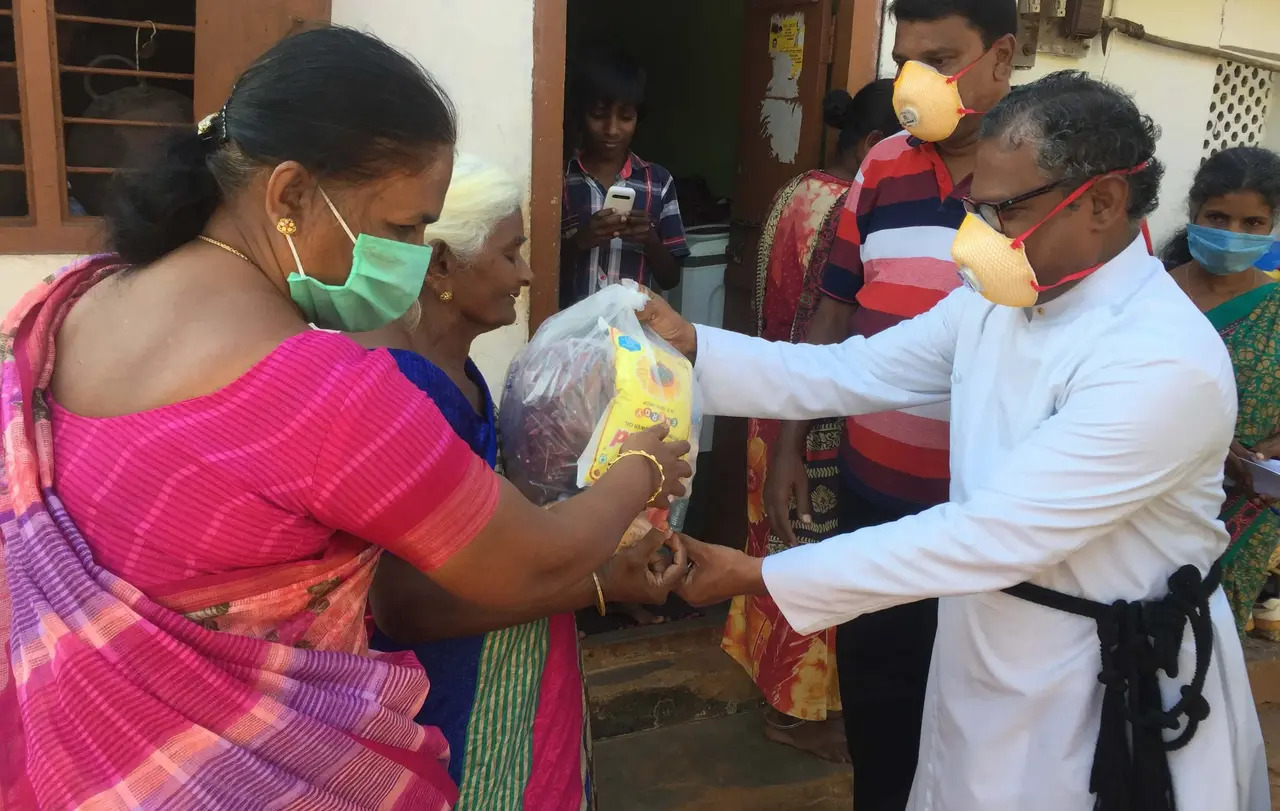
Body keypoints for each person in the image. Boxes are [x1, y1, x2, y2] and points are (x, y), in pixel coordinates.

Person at [0, 28, 693, 811]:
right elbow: (531, 562)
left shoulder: (71, 305)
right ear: (290, 195)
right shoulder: (324, 394)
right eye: (401, 228)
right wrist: (642, 463)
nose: (410, 255)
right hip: (248, 779)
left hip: (89, 772)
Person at [654, 71, 1269, 811]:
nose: (976, 238)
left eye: (1003, 211)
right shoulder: (996, 303)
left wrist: (757, 576)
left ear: (1103, 203)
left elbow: (989, 535)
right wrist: (691, 346)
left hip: (1100, 672)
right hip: (984, 641)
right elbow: (851, 369)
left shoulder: (1164, 360)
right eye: (974, 207)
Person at [356, 155, 685, 811]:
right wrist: (598, 579)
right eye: (511, 256)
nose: (529, 274)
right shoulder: (405, 386)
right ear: (442, 265)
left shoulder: (452, 364)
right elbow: (404, 605)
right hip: (454, 702)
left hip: (510, 666)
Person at [764, 0, 1017, 803]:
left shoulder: (1053, 183)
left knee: (980, 733)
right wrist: (789, 446)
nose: (919, 84)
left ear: (1003, 60)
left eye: (942, 60)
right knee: (879, 717)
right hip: (876, 504)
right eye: (906, 60)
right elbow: (833, 316)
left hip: (990, 522)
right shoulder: (881, 168)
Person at [721, 78, 900, 764]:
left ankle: (776, 687)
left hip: (775, 401)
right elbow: (833, 319)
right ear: (874, 144)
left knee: (775, 542)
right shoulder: (850, 207)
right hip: (815, 415)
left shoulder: (798, 191)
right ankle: (800, 712)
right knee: (815, 551)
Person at [1164, 145, 1280, 638]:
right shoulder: (1151, 294)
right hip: (1150, 497)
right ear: (1193, 212)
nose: (1233, 234)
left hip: (1243, 511)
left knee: (1207, 643)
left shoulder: (1275, 308)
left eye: (1253, 223)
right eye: (1218, 216)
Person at [560, 50, 690, 309]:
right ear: (581, 114)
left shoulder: (658, 182)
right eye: (598, 115)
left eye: (626, 117)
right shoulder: (561, 178)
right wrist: (580, 242)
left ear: (638, 118)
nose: (611, 129)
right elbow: (536, 269)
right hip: (570, 332)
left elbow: (670, 279)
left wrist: (650, 240)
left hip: (633, 334)